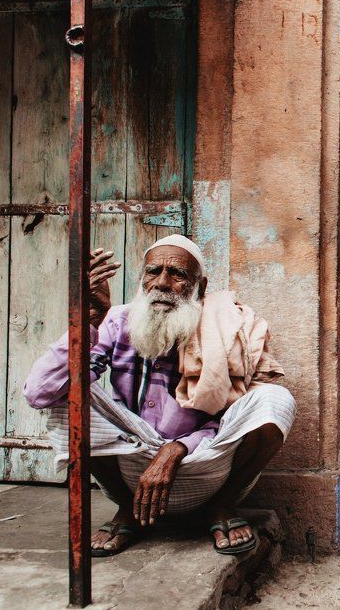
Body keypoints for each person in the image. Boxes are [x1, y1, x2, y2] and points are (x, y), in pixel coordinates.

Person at [23, 235, 296, 557]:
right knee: (67, 397)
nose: (162, 283)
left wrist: (177, 448)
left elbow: (231, 415)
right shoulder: (116, 321)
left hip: (205, 466)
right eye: (154, 272)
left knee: (275, 400)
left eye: (177, 274)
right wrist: (90, 319)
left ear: (200, 286)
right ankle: (128, 510)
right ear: (142, 279)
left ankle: (222, 508)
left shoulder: (224, 329)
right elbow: (40, 393)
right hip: (131, 467)